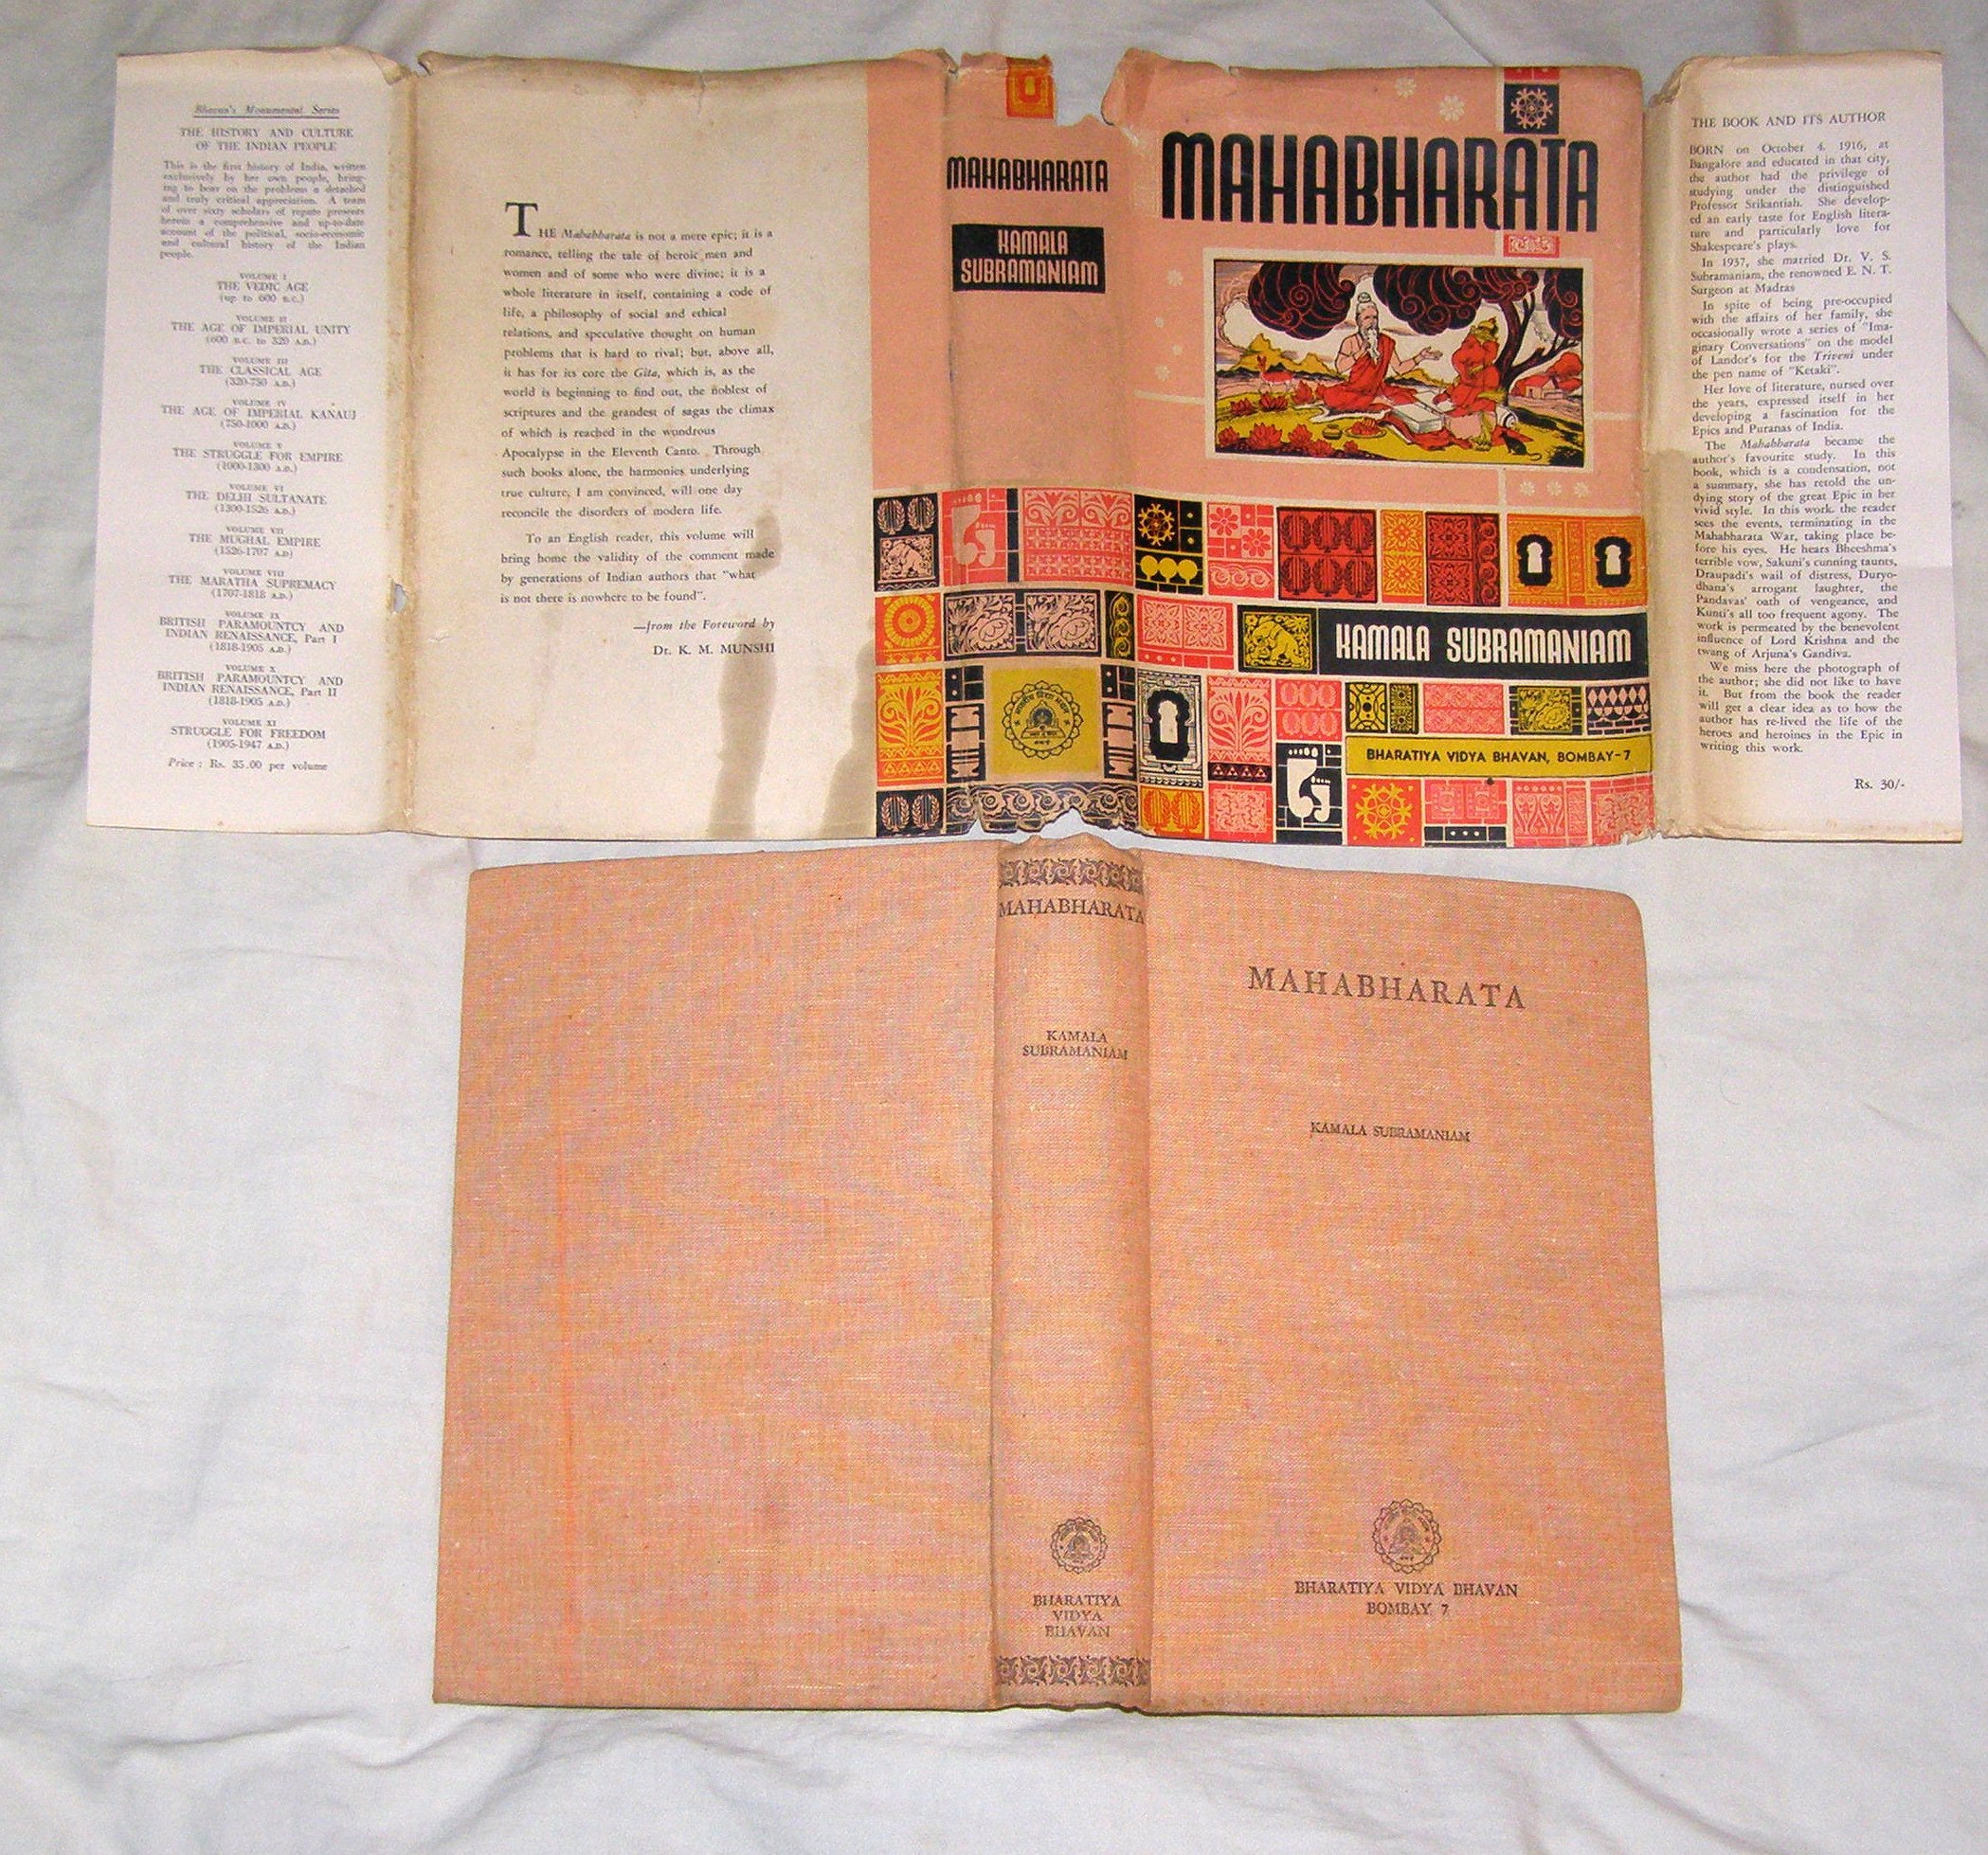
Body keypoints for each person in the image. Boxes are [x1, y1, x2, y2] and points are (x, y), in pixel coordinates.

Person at [1320, 292, 1441, 413]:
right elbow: (1340, 368)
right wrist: (1360, 352)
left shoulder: (1385, 341)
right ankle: (1374, 400)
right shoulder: (1350, 341)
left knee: (1405, 397)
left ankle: (1374, 400)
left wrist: (1421, 357)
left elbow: (1399, 368)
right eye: (1367, 318)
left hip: (1378, 389)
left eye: (1375, 317)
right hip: (1354, 391)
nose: (1372, 322)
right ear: (1359, 321)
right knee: (1332, 396)